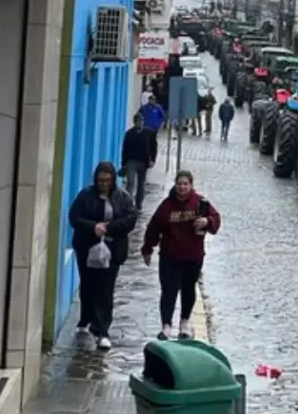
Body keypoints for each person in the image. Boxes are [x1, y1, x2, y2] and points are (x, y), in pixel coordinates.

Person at [141, 171, 221, 340]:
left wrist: (207, 222)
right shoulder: (167, 206)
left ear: (191, 185)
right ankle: (166, 325)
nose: (182, 187)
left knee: (188, 289)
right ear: (175, 185)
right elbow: (154, 227)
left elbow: (215, 218)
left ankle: (184, 321)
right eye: (179, 184)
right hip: (170, 256)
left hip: (193, 256)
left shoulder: (200, 203)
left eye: (185, 184)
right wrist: (147, 248)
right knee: (169, 290)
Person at [69, 162, 138, 350]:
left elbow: (131, 219)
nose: (104, 184)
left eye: (108, 180)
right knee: (88, 284)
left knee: (106, 289)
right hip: (87, 248)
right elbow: (74, 217)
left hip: (112, 249)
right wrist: (93, 227)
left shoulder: (123, 198)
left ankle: (102, 330)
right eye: (101, 180)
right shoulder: (85, 196)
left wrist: (109, 228)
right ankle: (86, 319)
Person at [121, 113, 157, 210]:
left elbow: (154, 147)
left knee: (141, 183)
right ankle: (127, 203)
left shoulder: (149, 133)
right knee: (130, 182)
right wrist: (123, 163)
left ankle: (139, 203)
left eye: (141, 120)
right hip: (131, 161)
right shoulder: (129, 133)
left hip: (143, 162)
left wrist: (153, 160)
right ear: (134, 122)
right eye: (137, 121)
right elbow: (125, 149)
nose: (139, 123)